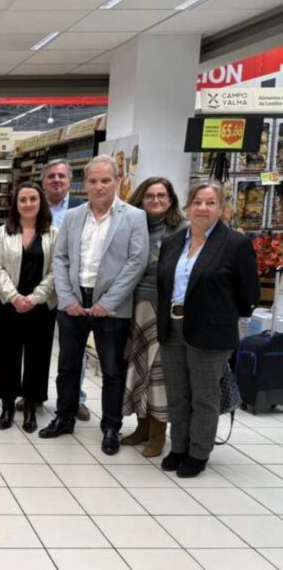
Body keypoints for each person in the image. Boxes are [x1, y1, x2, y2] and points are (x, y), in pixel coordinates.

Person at [39, 154, 149, 456]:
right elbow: (60, 258)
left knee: (112, 368)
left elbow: (136, 262)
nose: (99, 187)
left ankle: (111, 426)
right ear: (84, 184)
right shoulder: (74, 216)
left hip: (112, 306)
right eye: (93, 181)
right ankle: (64, 417)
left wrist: (108, 302)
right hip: (73, 302)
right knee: (67, 365)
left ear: (118, 181)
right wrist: (67, 298)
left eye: (106, 180)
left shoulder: (134, 217)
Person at [157, 181, 259, 478]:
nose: (202, 208)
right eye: (197, 202)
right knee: (177, 393)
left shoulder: (234, 244)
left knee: (204, 396)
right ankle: (179, 446)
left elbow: (249, 293)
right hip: (172, 327)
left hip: (210, 331)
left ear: (222, 208)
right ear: (187, 206)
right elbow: (164, 284)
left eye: (210, 203)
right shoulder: (173, 241)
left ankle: (198, 452)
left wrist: (222, 315)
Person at [120, 177, 186, 457]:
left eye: (162, 195)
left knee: (158, 373)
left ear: (171, 199)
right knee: (137, 368)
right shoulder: (132, 226)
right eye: (150, 196)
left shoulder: (182, 229)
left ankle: (158, 433)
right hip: (135, 306)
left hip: (165, 310)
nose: (156, 200)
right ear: (140, 199)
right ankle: (142, 426)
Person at [21, 159, 90, 420]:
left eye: (61, 176)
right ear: (43, 182)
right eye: (51, 176)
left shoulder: (83, 209)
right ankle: (33, 394)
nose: (56, 180)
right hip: (39, 288)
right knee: (36, 345)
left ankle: (75, 399)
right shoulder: (33, 207)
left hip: (73, 288)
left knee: (74, 348)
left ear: (70, 181)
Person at [0, 182, 58, 433]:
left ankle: (31, 406)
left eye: (33, 199)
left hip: (41, 306)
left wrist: (34, 298)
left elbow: (57, 270)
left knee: (37, 358)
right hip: (10, 305)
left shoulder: (53, 233)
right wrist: (15, 297)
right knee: (8, 356)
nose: (28, 204)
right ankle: (7, 406)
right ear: (15, 204)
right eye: (23, 200)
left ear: (41, 202)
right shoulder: (3, 232)